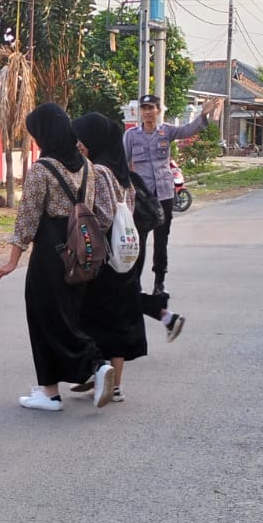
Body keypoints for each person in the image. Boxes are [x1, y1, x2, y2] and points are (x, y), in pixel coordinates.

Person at [0, 103, 113, 412]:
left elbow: (27, 219)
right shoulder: (87, 166)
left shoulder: (41, 170)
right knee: (67, 316)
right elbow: (88, 209)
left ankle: (93, 366)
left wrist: (12, 260)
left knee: (44, 320)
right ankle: (50, 391)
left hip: (50, 255)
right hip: (80, 253)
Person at [69, 112, 178, 406]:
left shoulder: (98, 171)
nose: (79, 144)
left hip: (104, 259)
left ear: (95, 139)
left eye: (82, 138)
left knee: (93, 317)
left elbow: (104, 217)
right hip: (126, 254)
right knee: (118, 319)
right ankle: (114, 385)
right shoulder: (122, 173)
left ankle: (100, 373)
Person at [122, 93, 218, 296]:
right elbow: (123, 163)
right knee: (139, 240)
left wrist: (203, 115)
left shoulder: (166, 131)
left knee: (161, 240)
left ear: (158, 110)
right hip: (142, 197)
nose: (147, 112)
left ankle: (159, 282)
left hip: (164, 194)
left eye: (151, 108)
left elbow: (187, 130)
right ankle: (135, 284)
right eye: (144, 108)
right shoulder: (131, 136)